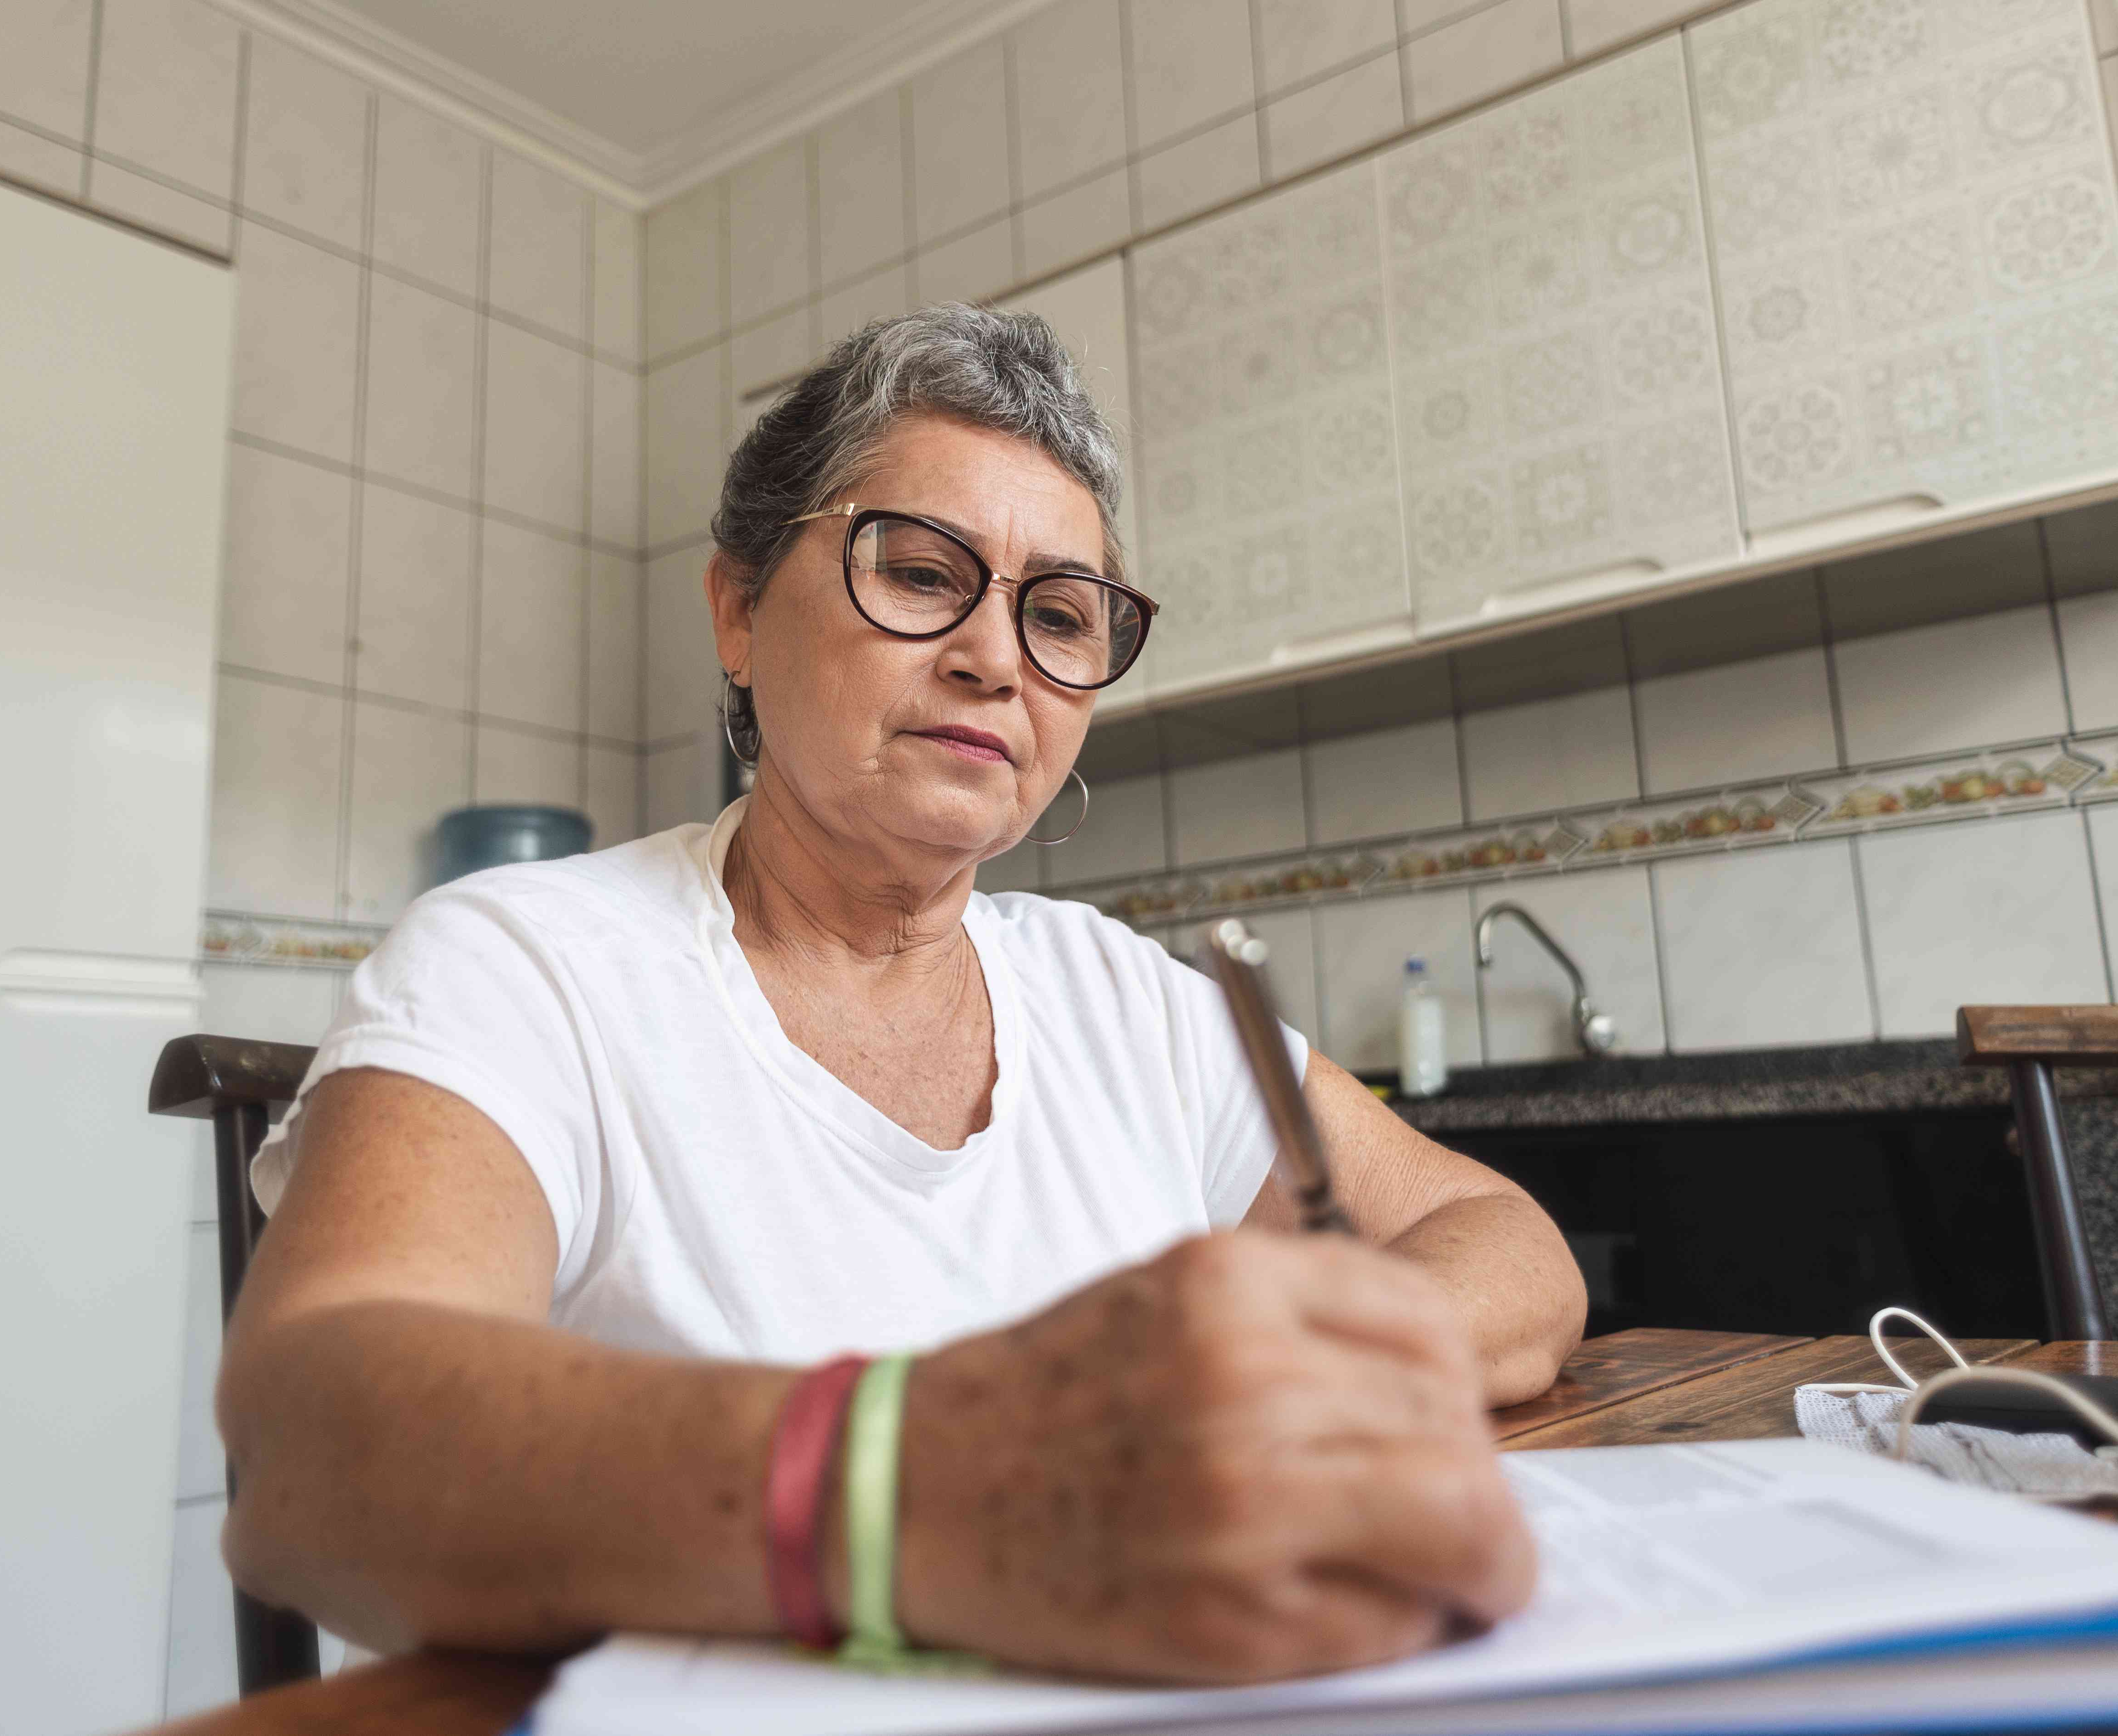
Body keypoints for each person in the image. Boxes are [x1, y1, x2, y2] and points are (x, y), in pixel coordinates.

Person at [218, 305, 1587, 1686]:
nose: (998, 656)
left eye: (1059, 613)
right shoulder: (528, 965)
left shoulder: (1130, 1000)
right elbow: (316, 1442)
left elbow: (1502, 1241)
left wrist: (1284, 1398)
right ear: (740, 610)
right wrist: (931, 1481)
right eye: (923, 573)